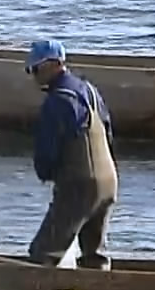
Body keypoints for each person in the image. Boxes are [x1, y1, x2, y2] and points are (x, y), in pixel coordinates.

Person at [24, 39, 120, 270]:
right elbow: (107, 133)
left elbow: (47, 152)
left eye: (35, 69)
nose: (33, 76)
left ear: (53, 65)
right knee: (94, 254)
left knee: (44, 253)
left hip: (79, 185)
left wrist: (46, 173)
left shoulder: (58, 101)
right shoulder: (90, 91)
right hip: (109, 182)